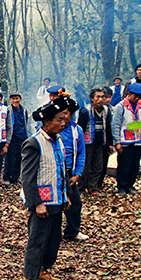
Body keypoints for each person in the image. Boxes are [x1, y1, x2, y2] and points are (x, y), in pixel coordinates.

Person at [21, 98, 71, 280]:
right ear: (47, 122)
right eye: (59, 119)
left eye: (64, 119)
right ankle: (29, 275)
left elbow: (60, 170)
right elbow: (27, 178)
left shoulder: (59, 141)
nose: (63, 123)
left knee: (53, 239)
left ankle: (44, 269)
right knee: (37, 239)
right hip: (43, 202)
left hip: (57, 199)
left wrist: (64, 194)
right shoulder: (34, 143)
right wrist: (37, 202)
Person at [57, 95, 86, 241]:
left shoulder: (77, 130)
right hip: (55, 171)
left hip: (70, 171)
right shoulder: (53, 128)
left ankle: (72, 231)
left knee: (75, 203)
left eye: (66, 113)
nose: (63, 117)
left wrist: (78, 173)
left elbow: (81, 153)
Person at [112, 83, 141, 195]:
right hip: (125, 140)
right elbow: (116, 125)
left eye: (139, 96)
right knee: (124, 165)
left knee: (135, 165)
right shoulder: (121, 106)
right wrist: (117, 142)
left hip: (138, 140)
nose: (137, 99)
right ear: (129, 94)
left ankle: (130, 185)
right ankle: (122, 186)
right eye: (135, 96)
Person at [77, 88, 112, 194]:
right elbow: (80, 128)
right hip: (87, 143)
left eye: (102, 97)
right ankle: (81, 188)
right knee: (85, 166)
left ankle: (93, 187)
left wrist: (110, 143)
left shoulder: (106, 110)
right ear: (92, 98)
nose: (100, 99)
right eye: (98, 97)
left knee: (98, 166)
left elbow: (108, 128)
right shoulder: (85, 111)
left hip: (100, 142)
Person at [3, 92, 30, 185]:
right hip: (12, 138)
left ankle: (15, 177)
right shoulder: (8, 110)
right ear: (10, 100)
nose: (15, 100)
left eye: (17, 98)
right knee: (10, 159)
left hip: (22, 137)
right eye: (13, 99)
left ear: (20, 99)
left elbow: (26, 123)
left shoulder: (24, 110)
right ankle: (6, 177)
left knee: (19, 158)